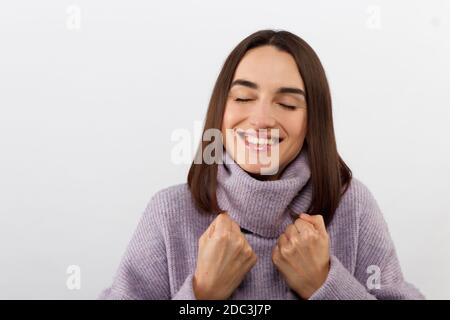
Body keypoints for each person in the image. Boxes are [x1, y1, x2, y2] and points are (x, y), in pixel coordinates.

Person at [98, 29, 424, 300]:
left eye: (286, 104)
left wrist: (325, 285)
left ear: (313, 122)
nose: (262, 119)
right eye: (242, 98)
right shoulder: (169, 212)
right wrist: (202, 295)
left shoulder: (352, 206)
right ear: (220, 110)